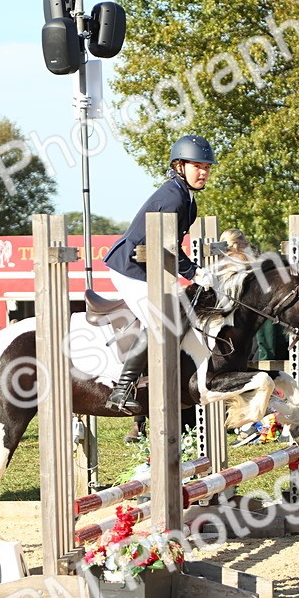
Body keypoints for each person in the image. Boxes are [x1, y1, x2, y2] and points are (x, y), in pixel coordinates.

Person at [102, 134, 217, 413]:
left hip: (151, 268)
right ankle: (121, 390)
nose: (203, 172)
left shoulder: (186, 198)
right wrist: (194, 272)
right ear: (179, 166)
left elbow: (172, 246)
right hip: (131, 269)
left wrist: (194, 272)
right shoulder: (172, 197)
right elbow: (168, 247)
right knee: (159, 321)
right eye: (197, 166)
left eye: (206, 167)